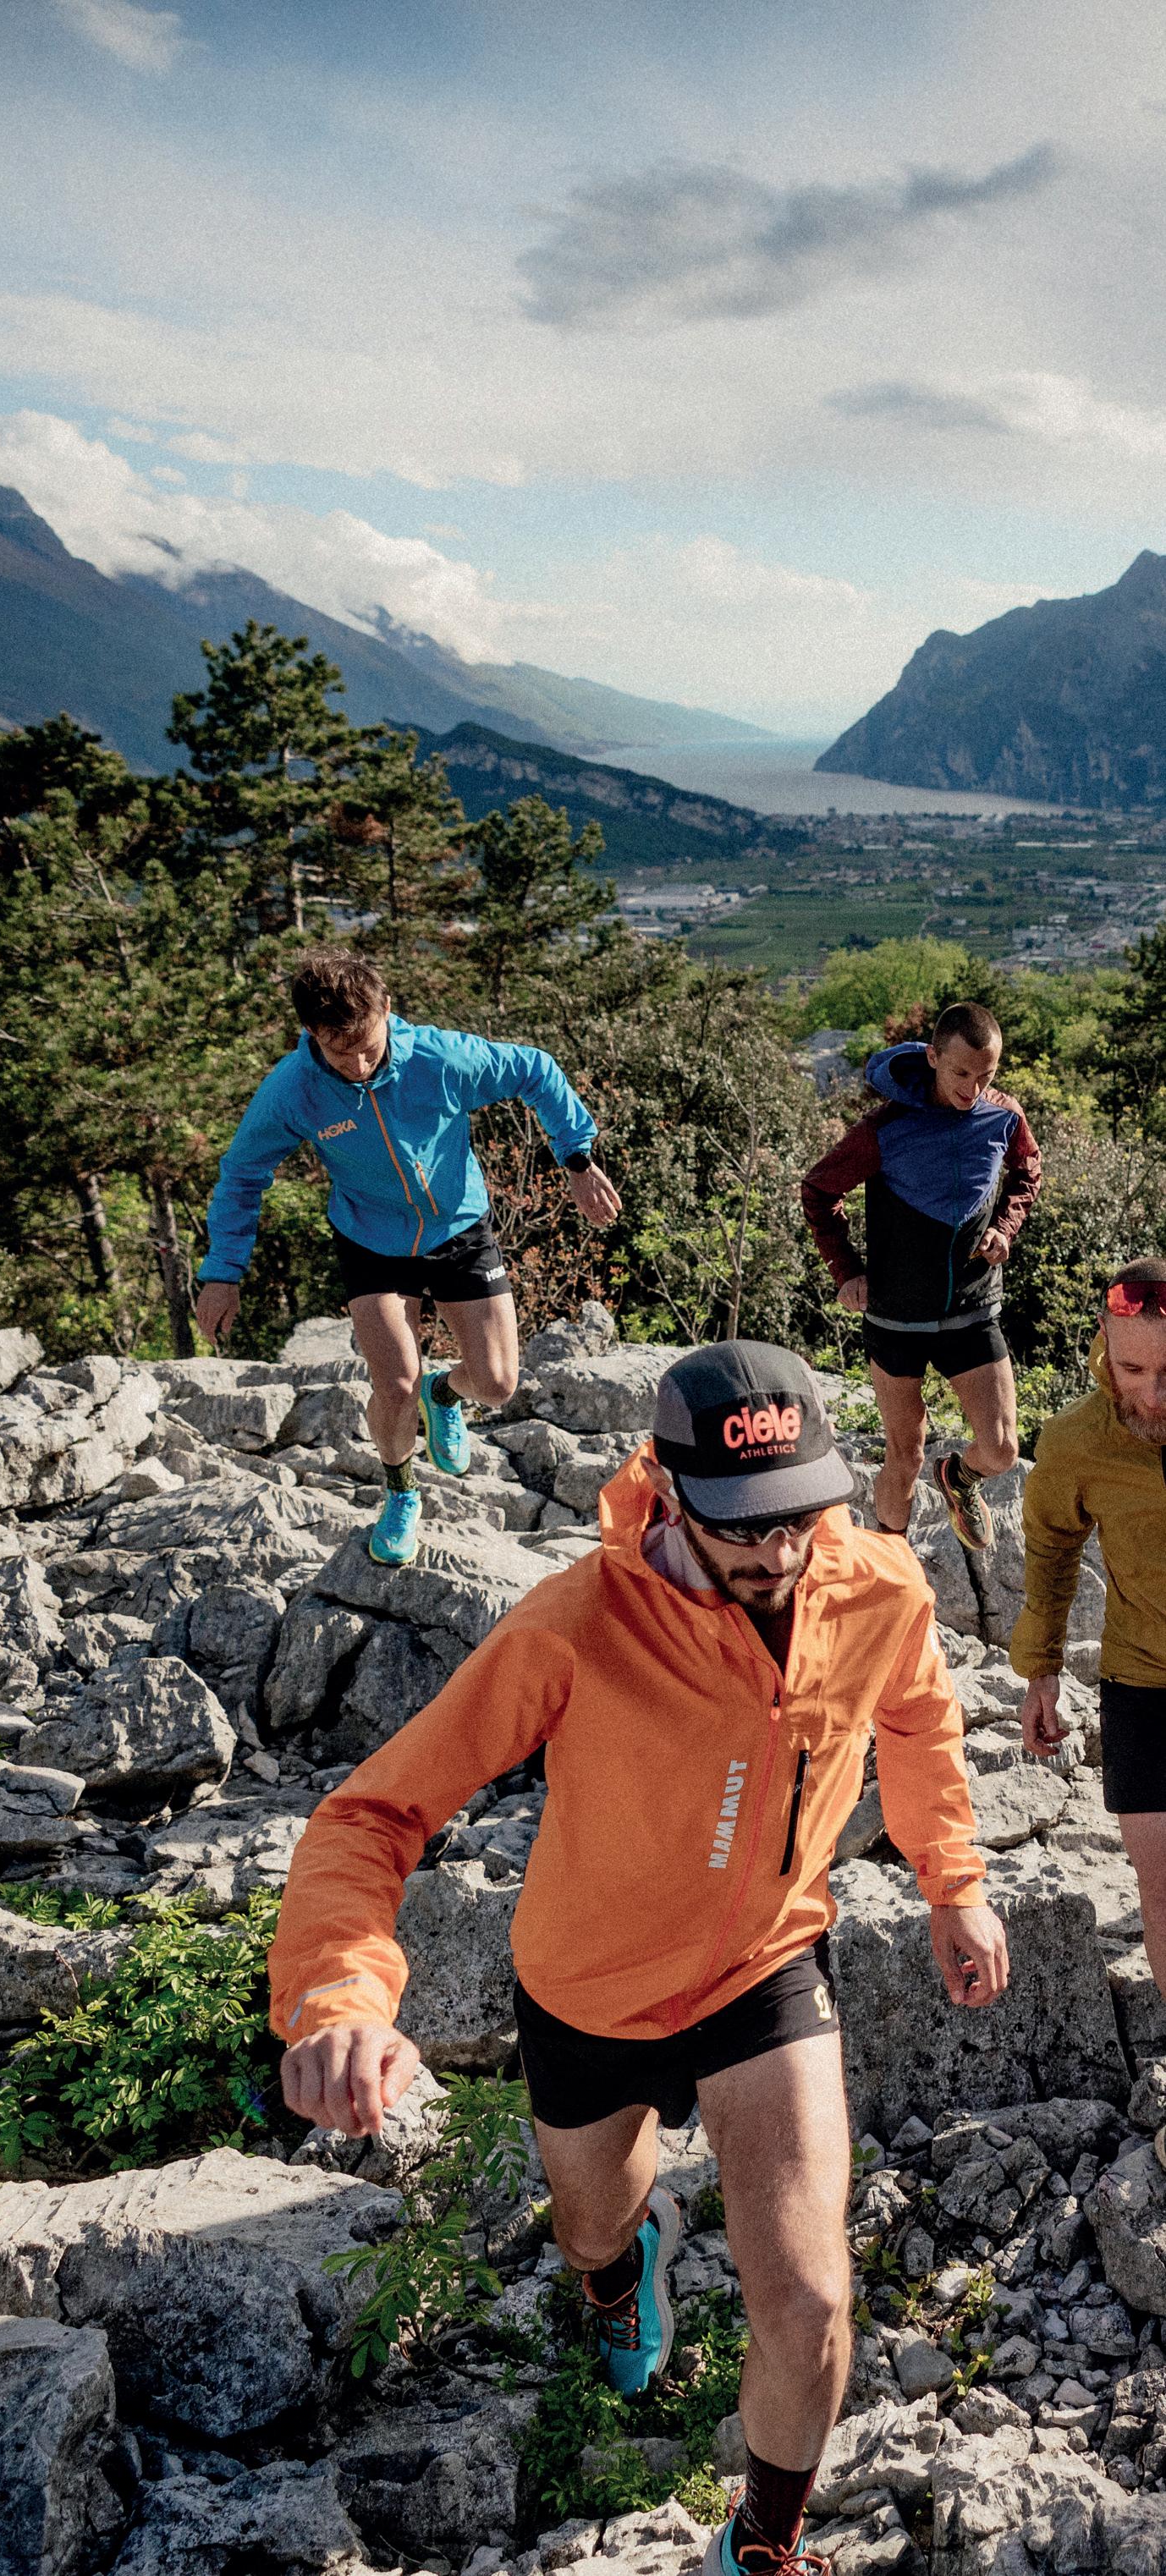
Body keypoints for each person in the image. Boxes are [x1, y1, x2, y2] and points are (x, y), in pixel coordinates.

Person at [271, 1339, 1007, 2576]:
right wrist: (340, 1996)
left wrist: (953, 1881)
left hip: (763, 1971)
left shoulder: (876, 1585)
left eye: (797, 1515)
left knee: (810, 2300)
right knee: (589, 2232)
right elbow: (373, 1814)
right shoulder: (574, 1626)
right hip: (588, 1993)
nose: (777, 1551)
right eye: (741, 1526)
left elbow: (919, 1716)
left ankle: (760, 2544)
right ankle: (623, 2273)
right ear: (665, 1491)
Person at [193, 952, 619, 1567]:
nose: (359, 1065)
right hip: (371, 1241)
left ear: (387, 1010)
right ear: (312, 1033)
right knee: (394, 1384)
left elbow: (536, 1069)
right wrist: (223, 1272)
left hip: (458, 1228)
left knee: (498, 1385)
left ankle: (443, 1393)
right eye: (341, 1052)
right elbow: (242, 1174)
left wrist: (576, 1158)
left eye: (368, 1046)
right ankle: (400, 1492)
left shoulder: (440, 1059)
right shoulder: (293, 1090)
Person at [800, 1002, 1041, 1552]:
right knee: (905, 1454)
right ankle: (890, 1561)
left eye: (986, 1075)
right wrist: (846, 1270)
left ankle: (958, 1476)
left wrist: (1005, 1226)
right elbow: (818, 1189)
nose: (973, 1089)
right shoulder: (884, 1129)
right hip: (896, 1317)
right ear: (932, 1057)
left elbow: (1028, 1168)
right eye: (961, 1072)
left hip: (972, 1309)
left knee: (1002, 1449)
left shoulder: (1004, 1117)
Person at [1018, 1258, 1166, 1986]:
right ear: (1104, 1339)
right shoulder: (1077, 1439)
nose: (1154, 1395)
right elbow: (1050, 1546)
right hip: (1140, 1680)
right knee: (1162, 1887)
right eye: (1132, 1369)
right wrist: (1041, 1669)